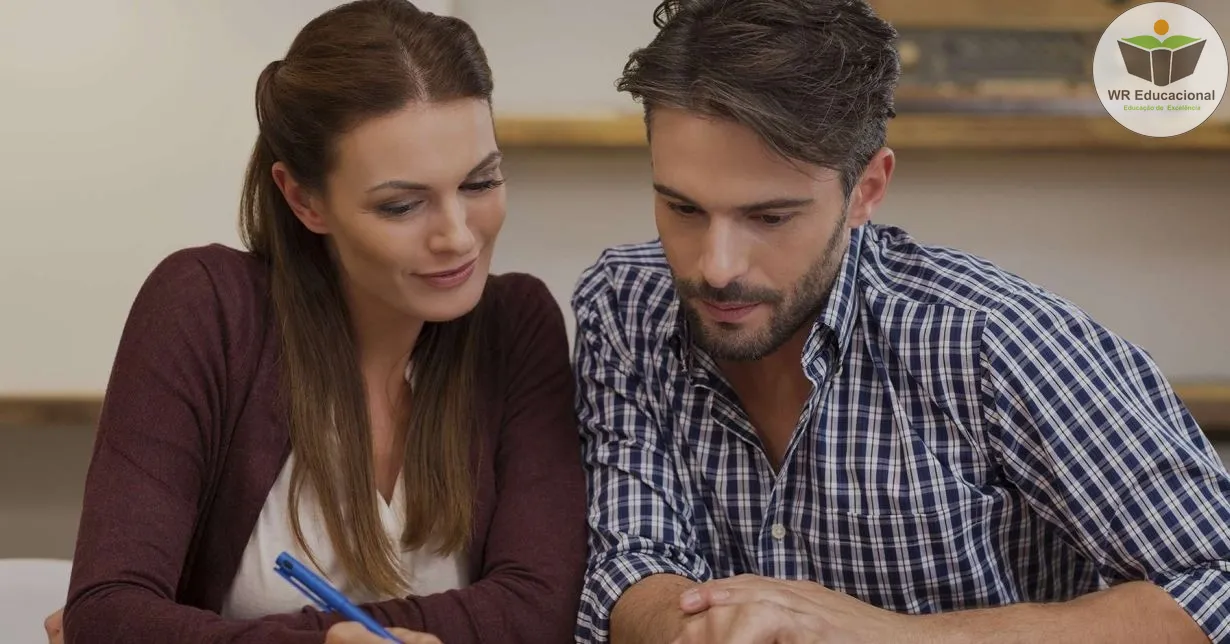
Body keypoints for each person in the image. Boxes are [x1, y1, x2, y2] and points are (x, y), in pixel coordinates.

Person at [570, 1, 1230, 643]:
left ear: (866, 190)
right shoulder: (625, 306)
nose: (716, 268)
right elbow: (631, 559)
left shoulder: (990, 339)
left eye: (769, 218)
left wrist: (890, 635)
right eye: (683, 209)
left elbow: (1216, 584)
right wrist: (695, 626)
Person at [45, 1, 587, 642]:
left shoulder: (516, 326)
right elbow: (109, 611)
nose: (458, 237)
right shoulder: (205, 308)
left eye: (480, 183)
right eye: (402, 205)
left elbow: (540, 612)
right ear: (303, 199)